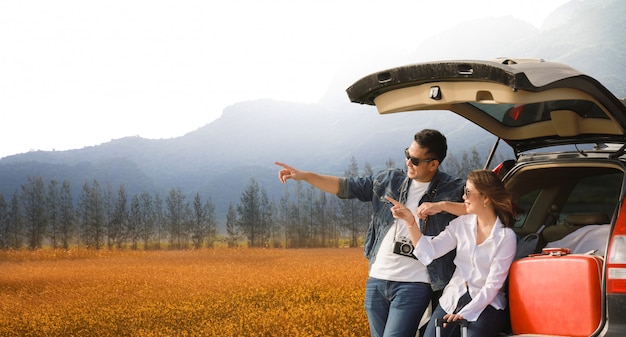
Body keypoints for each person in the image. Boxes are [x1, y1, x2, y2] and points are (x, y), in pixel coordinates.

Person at [275, 129, 464, 337]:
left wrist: (443, 205)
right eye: (407, 155)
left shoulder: (453, 189)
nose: (408, 162)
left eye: (415, 160)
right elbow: (345, 187)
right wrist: (305, 176)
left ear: (433, 164)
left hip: (414, 282)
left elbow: (482, 207)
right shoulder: (389, 180)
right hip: (377, 278)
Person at [385, 169, 517, 337]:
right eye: (464, 192)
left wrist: (466, 313)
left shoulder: (505, 237)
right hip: (453, 297)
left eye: (468, 193)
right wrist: (410, 222)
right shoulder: (461, 224)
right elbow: (429, 251)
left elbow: (492, 286)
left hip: (487, 304)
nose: (464, 197)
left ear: (486, 198)